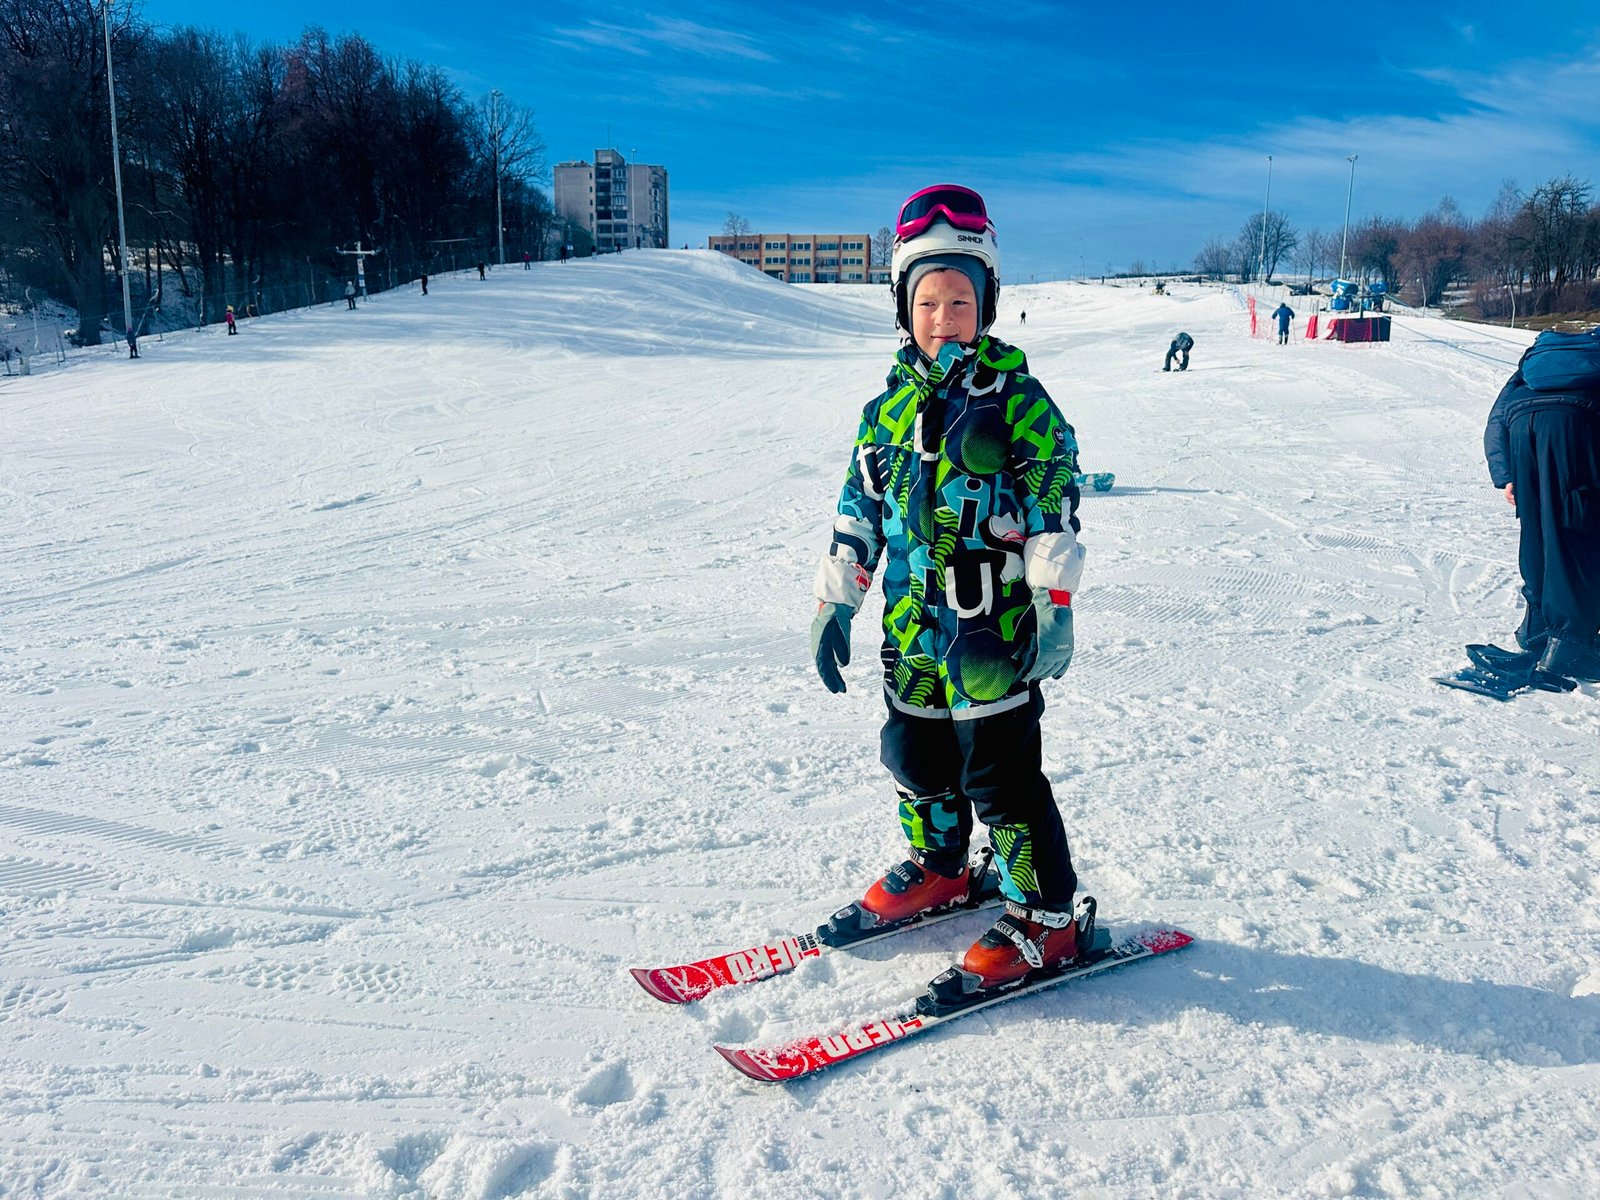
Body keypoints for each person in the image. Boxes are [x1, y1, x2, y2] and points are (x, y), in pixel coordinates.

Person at [809, 183, 1086, 990]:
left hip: (991, 636)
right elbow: (857, 512)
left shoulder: (1019, 402)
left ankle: (1045, 914)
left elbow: (1054, 505)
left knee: (1000, 778)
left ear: (986, 304)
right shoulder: (883, 412)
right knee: (913, 754)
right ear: (904, 307)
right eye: (927, 300)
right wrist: (836, 601)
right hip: (912, 634)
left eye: (960, 299)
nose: (943, 317)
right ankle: (942, 867)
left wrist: (1052, 599)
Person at [1481, 324, 1600, 681]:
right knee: (1579, 532)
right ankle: (1568, 646)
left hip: (1522, 426)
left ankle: (1535, 631)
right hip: (1576, 426)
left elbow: (1497, 416)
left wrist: (1506, 474)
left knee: (1539, 531)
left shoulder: (1534, 362)